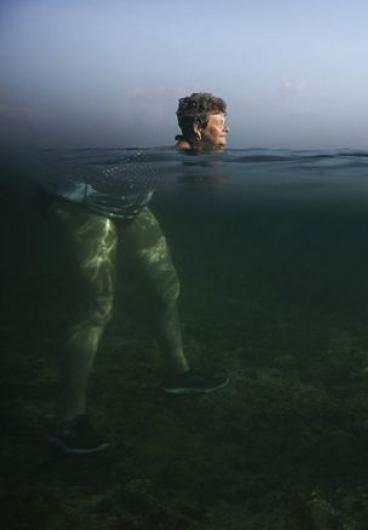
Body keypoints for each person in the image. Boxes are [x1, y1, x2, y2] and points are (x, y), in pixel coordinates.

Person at [43, 92, 231, 455]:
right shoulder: (173, 156)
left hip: (129, 206)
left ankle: (178, 374)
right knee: (96, 307)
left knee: (165, 288)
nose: (228, 130)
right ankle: (68, 421)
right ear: (198, 127)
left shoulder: (192, 157)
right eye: (222, 124)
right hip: (84, 202)